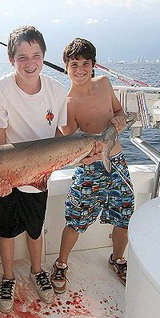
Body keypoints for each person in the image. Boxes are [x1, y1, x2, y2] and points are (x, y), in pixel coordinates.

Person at [0, 25, 69, 313]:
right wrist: (2, 178)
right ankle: (8, 278)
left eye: (36, 55)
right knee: (5, 230)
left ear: (44, 56)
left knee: (35, 229)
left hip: (40, 175)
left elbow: (62, 134)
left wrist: (50, 168)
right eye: (22, 57)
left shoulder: (58, 91)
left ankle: (37, 271)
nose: (30, 63)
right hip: (7, 174)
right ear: (11, 60)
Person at [50, 38, 135, 292]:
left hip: (118, 163)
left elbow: (119, 111)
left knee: (124, 217)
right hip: (90, 170)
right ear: (66, 67)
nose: (80, 69)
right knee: (76, 220)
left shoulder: (104, 84)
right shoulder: (67, 104)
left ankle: (117, 259)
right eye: (74, 64)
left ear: (93, 65)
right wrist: (87, 157)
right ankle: (61, 264)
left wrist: (119, 120)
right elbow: (74, 147)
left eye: (85, 63)